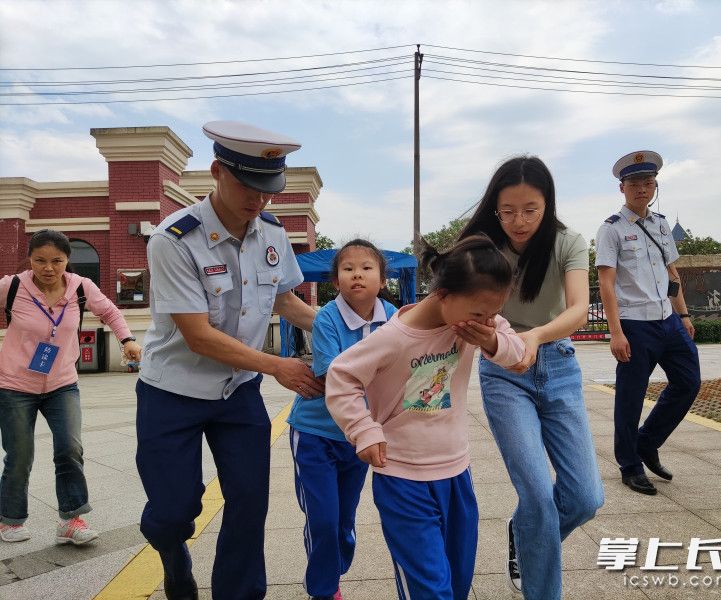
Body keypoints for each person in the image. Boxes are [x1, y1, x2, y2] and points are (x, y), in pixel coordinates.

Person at [135, 120, 324, 600]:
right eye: (248, 186)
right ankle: (172, 553)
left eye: (268, 189)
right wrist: (278, 366)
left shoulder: (272, 233)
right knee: (173, 512)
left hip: (237, 392)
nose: (258, 200)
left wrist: (357, 331)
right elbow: (199, 336)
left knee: (249, 503)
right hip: (172, 392)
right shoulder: (174, 240)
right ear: (217, 172)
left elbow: (287, 302)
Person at [325, 235, 525, 600]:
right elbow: (341, 375)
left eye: (493, 313)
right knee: (430, 590)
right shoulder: (394, 337)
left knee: (458, 580)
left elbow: (517, 354)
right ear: (444, 295)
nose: (487, 320)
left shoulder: (474, 324)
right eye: (479, 313)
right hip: (404, 479)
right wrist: (363, 429)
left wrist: (492, 340)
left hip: (456, 472)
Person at [459, 156, 605, 599]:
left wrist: (537, 336)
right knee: (539, 497)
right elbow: (457, 302)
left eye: (530, 210)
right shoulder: (482, 246)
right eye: (507, 211)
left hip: (558, 364)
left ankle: (523, 532)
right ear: (495, 208)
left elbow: (579, 309)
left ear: (547, 204)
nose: (518, 222)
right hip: (503, 372)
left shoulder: (568, 242)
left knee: (585, 498)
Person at [0, 229, 142, 544]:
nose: (48, 268)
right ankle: (10, 519)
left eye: (57, 261)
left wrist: (128, 339)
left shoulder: (80, 286)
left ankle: (71, 520)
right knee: (20, 454)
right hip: (14, 386)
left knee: (70, 449)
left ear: (67, 259)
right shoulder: (12, 286)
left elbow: (109, 311)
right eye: (40, 260)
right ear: (30, 259)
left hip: (62, 384)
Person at [287, 239, 398, 600]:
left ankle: (333, 570)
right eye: (348, 269)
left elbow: (400, 368)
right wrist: (380, 372)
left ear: (382, 279)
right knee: (323, 519)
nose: (357, 275)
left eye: (366, 268)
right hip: (314, 434)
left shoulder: (393, 317)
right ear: (336, 281)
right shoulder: (327, 318)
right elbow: (335, 374)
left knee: (344, 521)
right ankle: (324, 590)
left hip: (357, 439)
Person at [595, 150, 700, 496]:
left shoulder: (661, 225)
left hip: (668, 321)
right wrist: (615, 332)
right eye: (635, 183)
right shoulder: (611, 230)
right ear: (622, 188)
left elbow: (672, 272)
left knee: (688, 382)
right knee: (631, 397)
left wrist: (683, 314)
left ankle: (647, 441)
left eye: (648, 182)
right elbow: (606, 283)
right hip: (635, 324)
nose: (642, 188)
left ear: (655, 185)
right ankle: (629, 465)